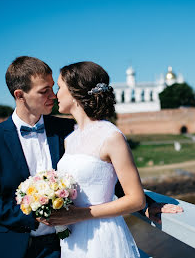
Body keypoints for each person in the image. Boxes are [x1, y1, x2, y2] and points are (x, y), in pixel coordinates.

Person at [0, 56, 181, 258]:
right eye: (44, 91)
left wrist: (146, 204)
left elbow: (103, 172)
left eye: (54, 87)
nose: (53, 95)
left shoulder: (68, 130)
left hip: (63, 244)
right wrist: (32, 216)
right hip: (13, 246)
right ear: (20, 95)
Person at [49, 61, 144, 257]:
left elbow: (136, 199)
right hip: (74, 240)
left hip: (102, 237)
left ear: (75, 92)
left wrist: (80, 214)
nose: (55, 94)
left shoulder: (111, 136)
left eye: (59, 87)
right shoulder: (70, 139)